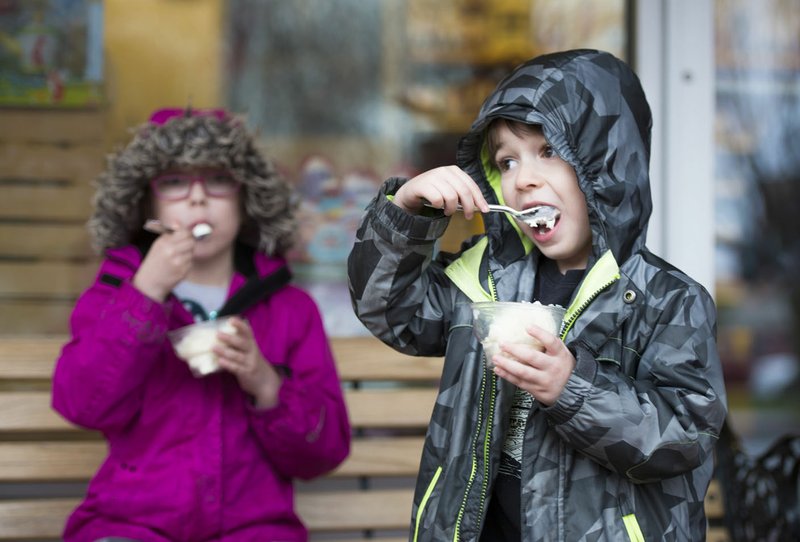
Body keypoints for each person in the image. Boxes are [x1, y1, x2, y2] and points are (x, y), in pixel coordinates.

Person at [347, 49, 727, 541]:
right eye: (506, 161)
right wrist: (406, 212)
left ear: (605, 165)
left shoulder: (667, 301)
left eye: (548, 151)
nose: (523, 179)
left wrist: (573, 388)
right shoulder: (483, 278)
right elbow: (390, 310)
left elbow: (684, 436)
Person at [52, 107, 351, 542]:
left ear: (246, 199)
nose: (197, 198)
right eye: (174, 182)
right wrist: (146, 293)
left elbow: (323, 454)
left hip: (254, 529)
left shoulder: (291, 309)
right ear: (145, 203)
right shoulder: (115, 295)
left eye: (217, 179)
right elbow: (81, 403)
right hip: (132, 524)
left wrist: (266, 383)